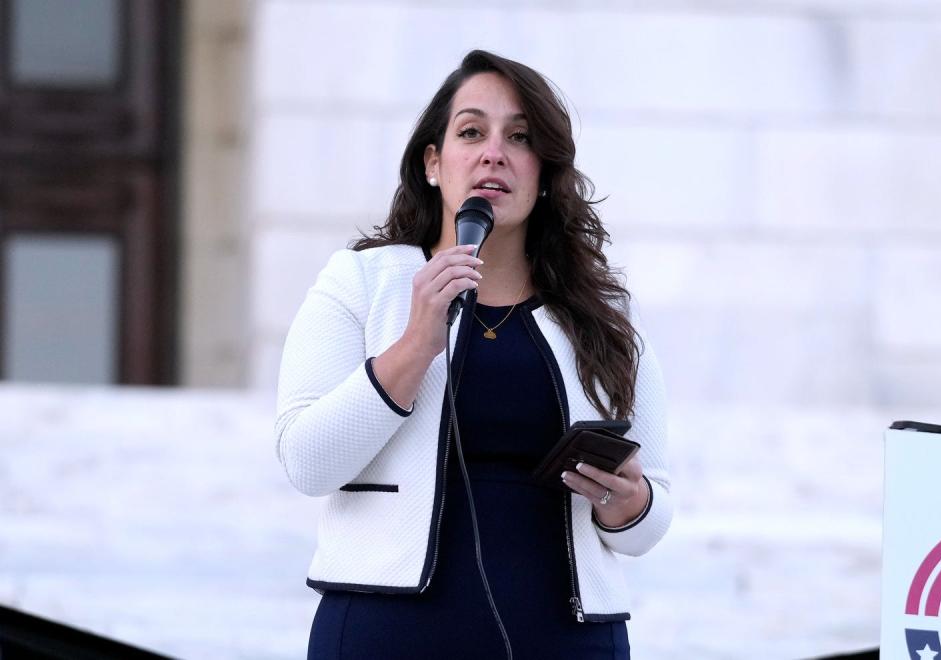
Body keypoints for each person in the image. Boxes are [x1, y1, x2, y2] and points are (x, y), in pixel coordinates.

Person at [274, 50, 672, 660]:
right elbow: (306, 462)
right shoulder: (361, 282)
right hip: (388, 632)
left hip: (566, 638)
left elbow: (651, 516)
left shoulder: (602, 312)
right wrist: (413, 347)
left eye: (520, 137)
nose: (494, 153)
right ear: (434, 163)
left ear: (544, 173)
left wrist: (631, 504)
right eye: (471, 132)